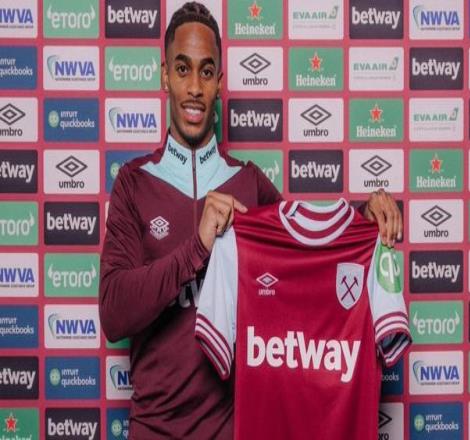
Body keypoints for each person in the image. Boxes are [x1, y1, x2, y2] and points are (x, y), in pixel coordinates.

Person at [99, 2, 403, 439]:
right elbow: (114, 314)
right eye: (183, 69)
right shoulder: (134, 182)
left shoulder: (247, 183)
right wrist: (197, 249)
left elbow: (305, 263)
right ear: (164, 75)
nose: (194, 87)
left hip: (235, 429)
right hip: (153, 428)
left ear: (220, 83)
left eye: (206, 72)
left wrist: (362, 224)